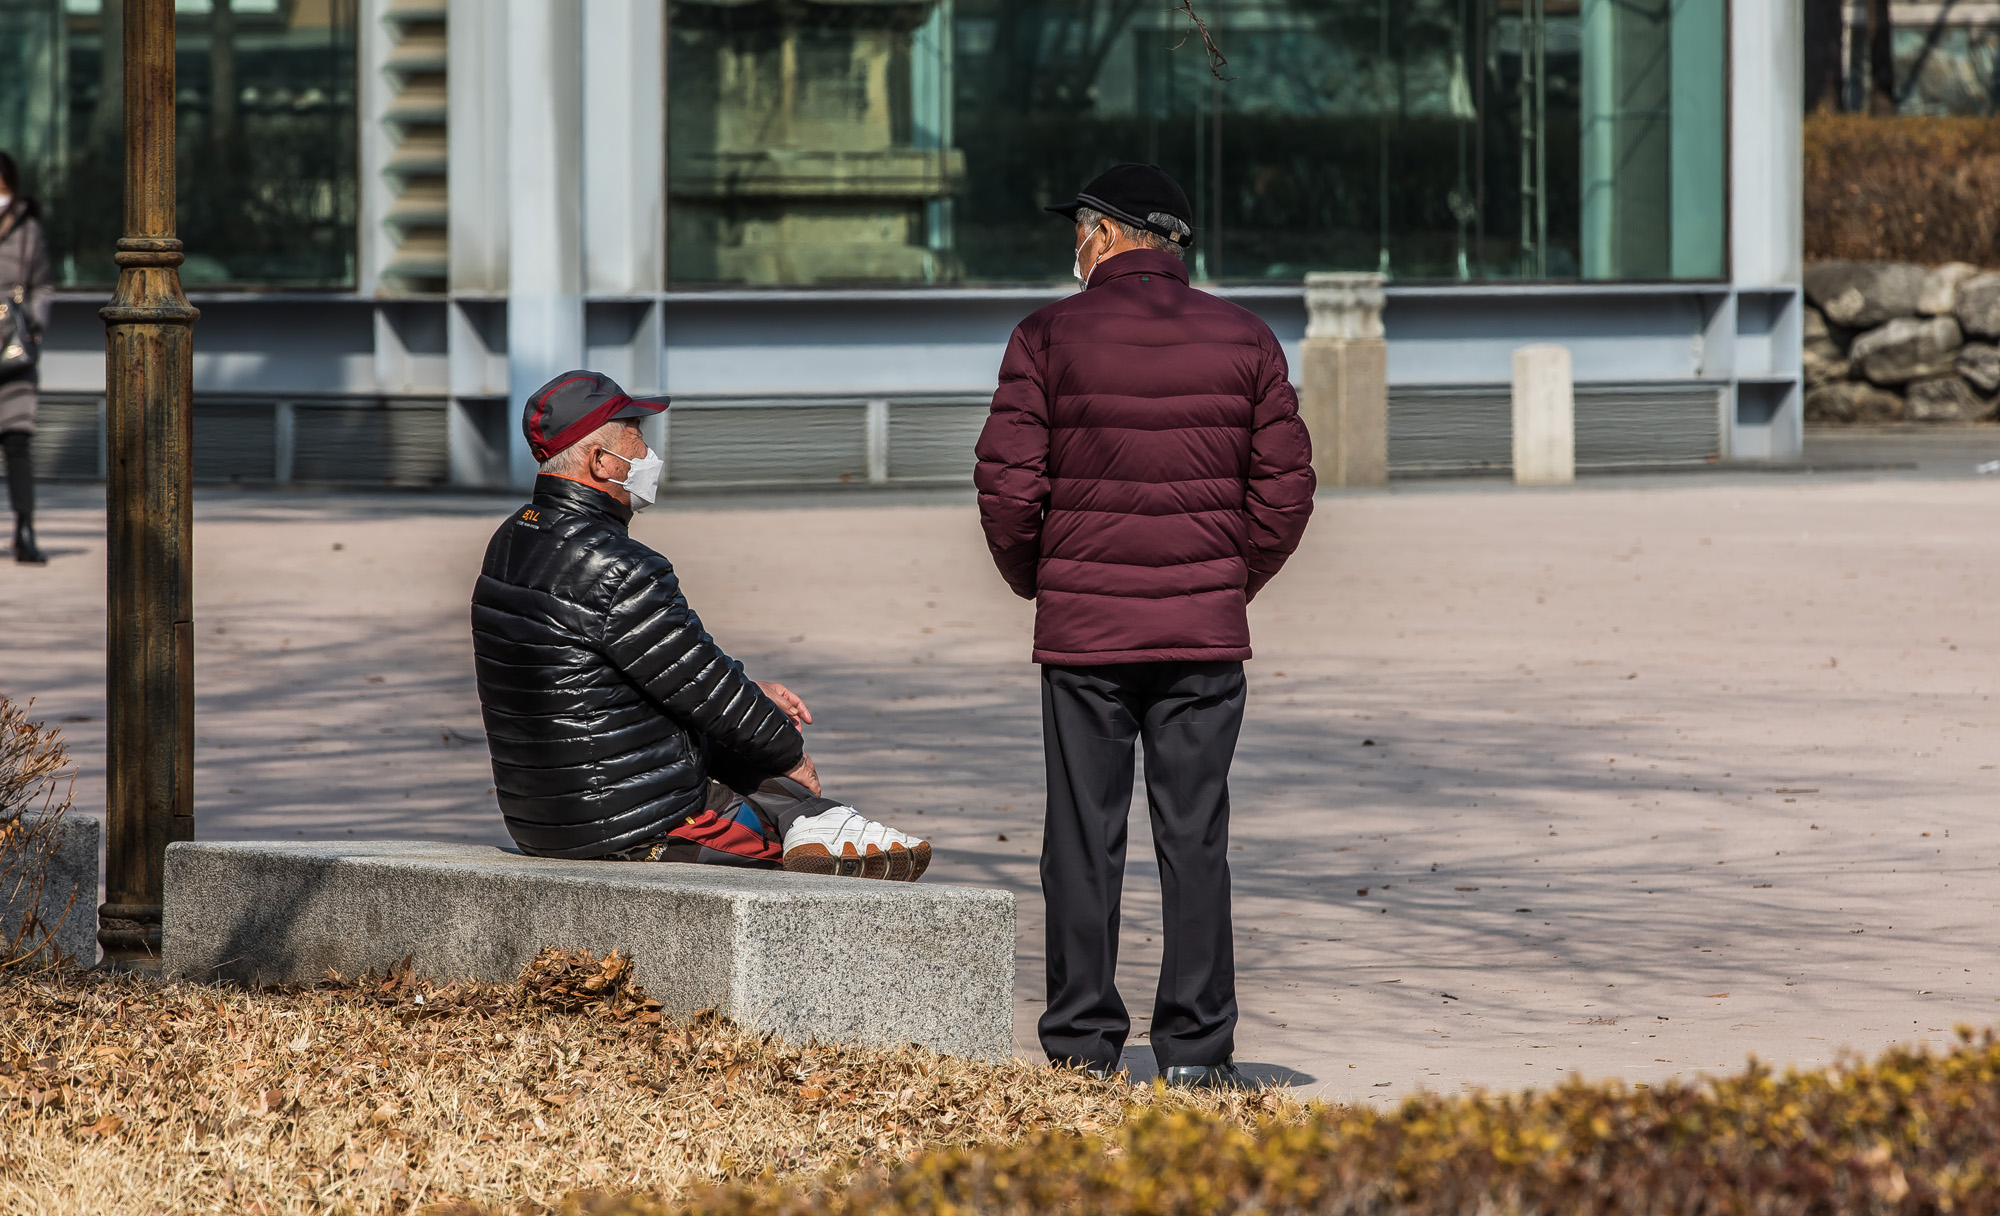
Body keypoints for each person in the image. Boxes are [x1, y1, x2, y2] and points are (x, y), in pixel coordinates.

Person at [974, 164, 1315, 1089]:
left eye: (1079, 231)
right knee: (1194, 835)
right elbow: (1286, 491)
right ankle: (1197, 1054)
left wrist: (1043, 582)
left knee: (1082, 838)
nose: (1074, 247)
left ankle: (1082, 1046)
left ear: (1108, 234)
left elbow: (1008, 485)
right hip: (1202, 634)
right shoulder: (1246, 337)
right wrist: (1226, 583)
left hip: (1085, 635)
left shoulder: (1046, 335)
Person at [470, 370, 929, 879]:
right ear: (601, 461)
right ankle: (819, 819)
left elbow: (673, 668)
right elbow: (706, 688)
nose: (648, 454)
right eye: (635, 436)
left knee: (740, 743)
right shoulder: (618, 565)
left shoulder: (511, 540)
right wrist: (791, 756)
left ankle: (815, 819)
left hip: (543, 817)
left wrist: (753, 693)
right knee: (789, 819)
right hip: (633, 826)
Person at [0, 152, 52, 565]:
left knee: (17, 441)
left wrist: (34, 326)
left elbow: (42, 285)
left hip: (14, 350)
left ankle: (25, 530)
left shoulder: (28, 229)